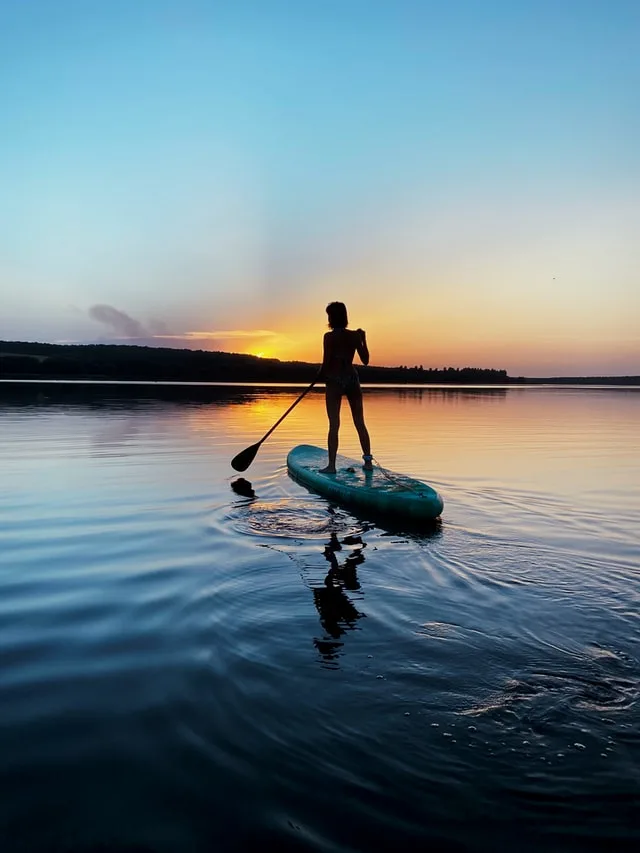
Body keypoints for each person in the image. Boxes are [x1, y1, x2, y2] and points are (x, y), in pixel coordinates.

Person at [318, 301, 373, 474]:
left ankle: (331, 466)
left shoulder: (329, 337)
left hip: (334, 381)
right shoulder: (355, 336)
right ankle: (368, 462)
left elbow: (326, 363)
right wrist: (363, 340)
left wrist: (319, 375)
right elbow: (365, 360)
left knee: (334, 424)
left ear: (332, 317)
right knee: (360, 423)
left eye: (329, 315)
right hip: (352, 379)